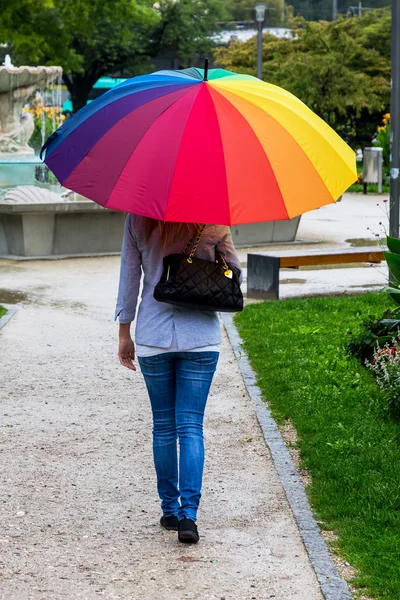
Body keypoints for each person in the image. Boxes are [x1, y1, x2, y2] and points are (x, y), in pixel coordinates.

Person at [115, 215, 242, 544]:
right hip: (200, 335)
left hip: (153, 334)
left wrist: (123, 334)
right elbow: (233, 269)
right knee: (190, 426)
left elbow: (129, 280)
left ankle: (169, 509)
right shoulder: (212, 216)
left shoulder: (138, 219)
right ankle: (189, 517)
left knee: (164, 426)